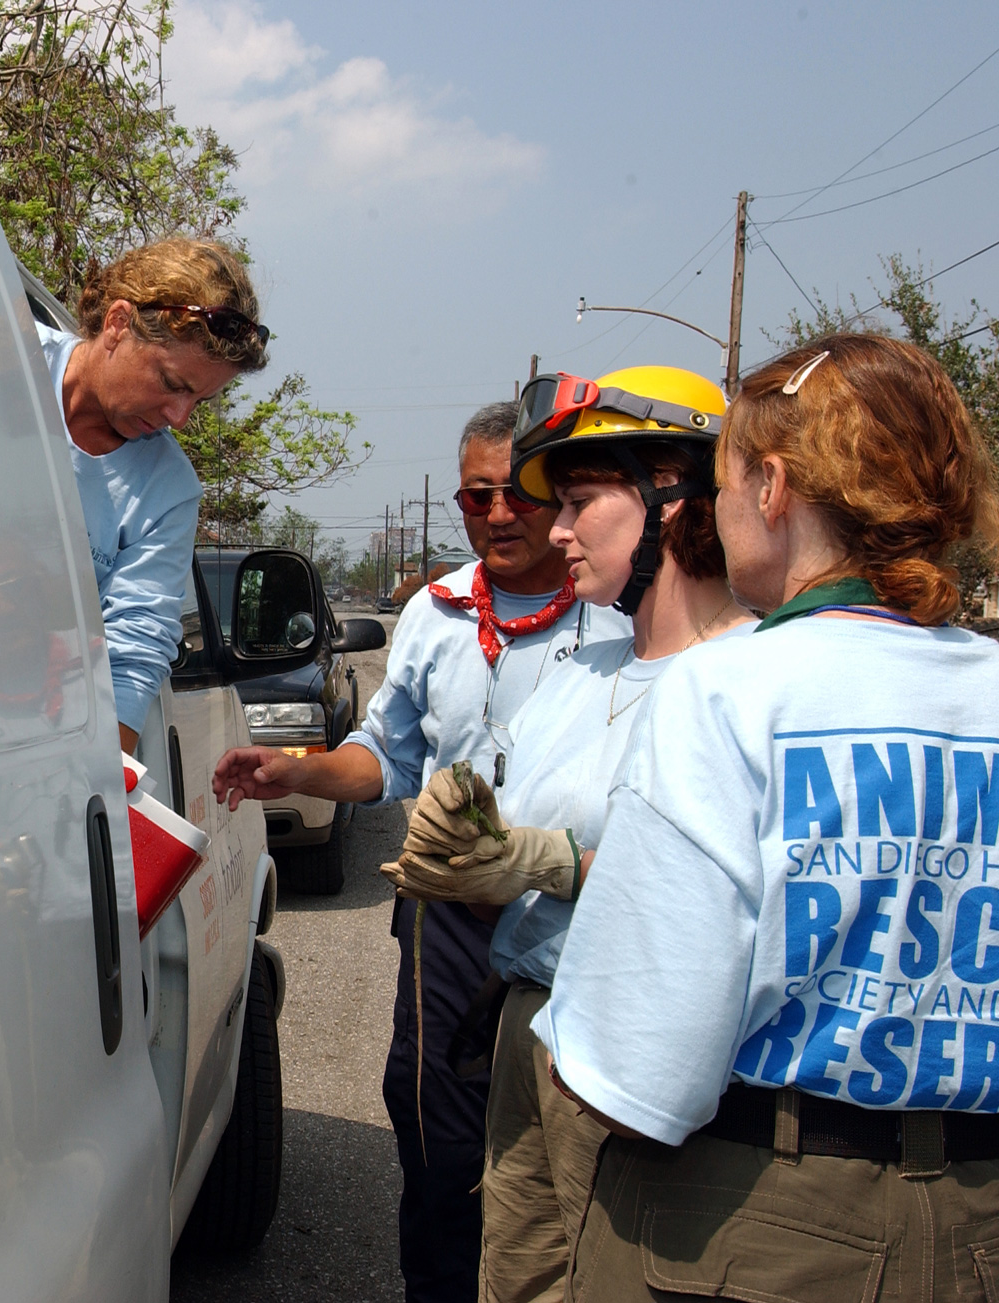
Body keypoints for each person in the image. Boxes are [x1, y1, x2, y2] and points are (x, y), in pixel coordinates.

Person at [535, 335, 999, 1302]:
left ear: (774, 488)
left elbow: (640, 1068)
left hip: (757, 1222)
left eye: (729, 479)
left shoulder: (729, 692)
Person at [213, 401, 628, 1303]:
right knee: (439, 1137)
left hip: (581, 919)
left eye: (522, 492)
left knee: (578, 1141)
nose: (501, 514)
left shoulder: (623, 619)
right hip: (449, 919)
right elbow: (383, 757)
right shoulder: (435, 614)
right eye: (480, 496)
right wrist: (297, 770)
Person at [380, 367, 750, 1303]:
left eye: (579, 502)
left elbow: (734, 889)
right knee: (511, 1270)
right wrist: (464, 827)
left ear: (679, 499)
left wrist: (551, 862)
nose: (552, 529)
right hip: (528, 1033)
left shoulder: (753, 680)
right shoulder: (589, 667)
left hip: (633, 1065)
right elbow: (517, 808)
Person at [37, 238, 268, 754]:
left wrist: (94, 790)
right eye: (171, 382)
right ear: (118, 324)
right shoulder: (4, 355)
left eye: (199, 401)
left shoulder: (168, 490)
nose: (179, 416)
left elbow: (132, 651)